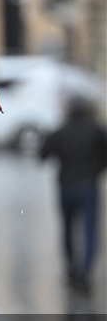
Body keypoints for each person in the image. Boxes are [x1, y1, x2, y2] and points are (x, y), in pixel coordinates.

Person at [39, 96, 107, 293]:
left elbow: (42, 155)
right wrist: (95, 170)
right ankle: (85, 272)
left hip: (65, 186)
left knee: (68, 229)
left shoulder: (60, 132)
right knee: (90, 231)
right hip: (88, 186)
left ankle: (70, 268)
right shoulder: (96, 131)